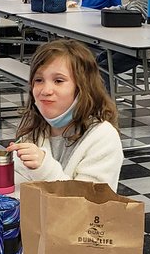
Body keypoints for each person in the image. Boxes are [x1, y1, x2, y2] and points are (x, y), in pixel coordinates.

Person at [8, 38, 123, 190]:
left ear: (82, 87)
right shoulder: (36, 131)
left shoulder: (103, 137)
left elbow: (88, 203)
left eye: (58, 81)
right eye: (39, 80)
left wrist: (44, 167)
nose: (45, 91)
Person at [96, 0, 150, 91]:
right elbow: (120, 9)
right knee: (99, 59)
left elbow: (130, 17)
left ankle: (106, 103)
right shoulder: (145, 4)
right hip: (134, 49)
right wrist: (107, 10)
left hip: (136, 51)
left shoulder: (135, 9)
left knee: (103, 67)